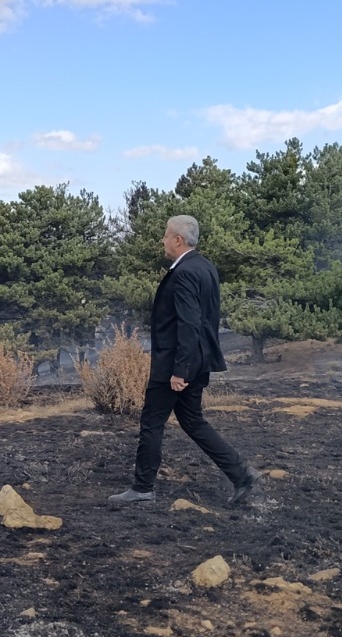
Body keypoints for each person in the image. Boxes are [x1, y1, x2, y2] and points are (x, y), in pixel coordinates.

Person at [110, 214, 261, 506]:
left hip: (176, 365)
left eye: (166, 235)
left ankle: (142, 488)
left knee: (152, 422)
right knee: (192, 420)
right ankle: (242, 474)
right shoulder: (204, 267)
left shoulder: (184, 273)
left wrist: (179, 370)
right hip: (197, 360)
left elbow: (189, 324)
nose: (163, 240)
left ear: (178, 240)